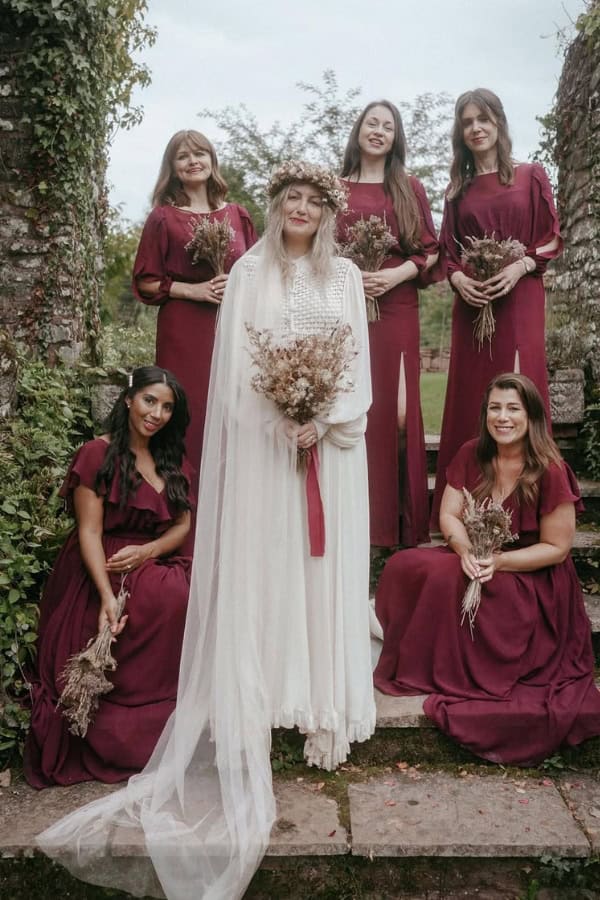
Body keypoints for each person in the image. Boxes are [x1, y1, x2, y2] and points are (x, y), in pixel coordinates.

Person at [37, 162, 375, 899]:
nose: (300, 209)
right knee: (271, 564)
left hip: (331, 448)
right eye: (290, 198)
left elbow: (358, 369)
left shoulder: (345, 276)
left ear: (327, 213)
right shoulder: (251, 276)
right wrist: (280, 420)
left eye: (313, 202)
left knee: (319, 566)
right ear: (276, 204)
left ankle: (321, 700)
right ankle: (266, 689)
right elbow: (233, 377)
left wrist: (322, 419)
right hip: (263, 447)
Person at [374, 373, 600, 766]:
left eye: (513, 408)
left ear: (531, 416)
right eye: (495, 407)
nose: (503, 417)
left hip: (531, 573)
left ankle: (456, 666)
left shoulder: (549, 468)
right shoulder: (471, 453)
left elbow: (557, 548)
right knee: (404, 564)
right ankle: (421, 655)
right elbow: (448, 514)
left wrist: (498, 562)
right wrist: (464, 549)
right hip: (475, 556)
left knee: (447, 579)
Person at [25, 366, 194, 788]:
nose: (157, 413)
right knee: (159, 596)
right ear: (128, 400)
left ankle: (166, 723)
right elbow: (90, 531)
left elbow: (182, 525)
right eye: (150, 401)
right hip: (103, 562)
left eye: (167, 407)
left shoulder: (171, 458)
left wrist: (151, 551)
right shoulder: (96, 454)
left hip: (150, 554)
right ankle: (120, 734)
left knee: (184, 592)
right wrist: (104, 595)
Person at [431, 88, 562, 528]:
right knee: (474, 396)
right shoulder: (457, 190)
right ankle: (466, 511)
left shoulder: (530, 175)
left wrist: (521, 265)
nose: (476, 128)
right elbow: (446, 251)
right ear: (460, 132)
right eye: (467, 122)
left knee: (521, 391)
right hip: (472, 305)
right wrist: (459, 279)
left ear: (499, 123)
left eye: (483, 119)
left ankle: (528, 510)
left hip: (520, 297)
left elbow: (550, 237)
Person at [338, 100, 440, 548]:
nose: (378, 131)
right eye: (371, 123)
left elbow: (430, 249)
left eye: (387, 126)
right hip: (346, 306)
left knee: (398, 415)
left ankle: (401, 527)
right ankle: (361, 522)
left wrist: (396, 274)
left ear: (396, 137)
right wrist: (351, 275)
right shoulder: (335, 188)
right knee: (354, 412)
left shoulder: (408, 186)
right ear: (358, 130)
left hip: (397, 306)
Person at [133, 129, 258, 480]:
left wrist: (234, 284)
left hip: (233, 326)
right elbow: (145, 281)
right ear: (172, 167)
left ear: (212, 160)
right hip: (184, 330)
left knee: (233, 412)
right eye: (183, 156)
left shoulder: (238, 215)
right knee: (190, 413)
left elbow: (256, 272)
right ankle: (182, 508)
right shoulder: (163, 218)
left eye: (200, 153)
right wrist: (195, 290)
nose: (193, 161)